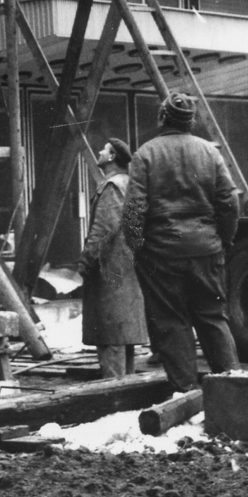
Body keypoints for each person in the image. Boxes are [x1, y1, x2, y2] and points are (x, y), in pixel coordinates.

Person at [122, 92, 240, 392]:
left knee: (171, 323)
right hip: (207, 250)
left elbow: (134, 209)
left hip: (161, 254)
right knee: (213, 318)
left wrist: (138, 248)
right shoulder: (210, 153)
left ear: (162, 118)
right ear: (192, 121)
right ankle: (236, 391)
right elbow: (229, 202)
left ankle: (186, 395)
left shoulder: (145, 154)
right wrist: (222, 239)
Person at [79, 138, 148, 379]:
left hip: (110, 271)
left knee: (111, 339)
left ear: (110, 158)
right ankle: (126, 395)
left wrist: (86, 261)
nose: (98, 150)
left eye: (103, 149)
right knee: (123, 340)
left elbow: (103, 229)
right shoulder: (128, 184)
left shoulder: (111, 187)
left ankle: (115, 399)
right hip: (126, 268)